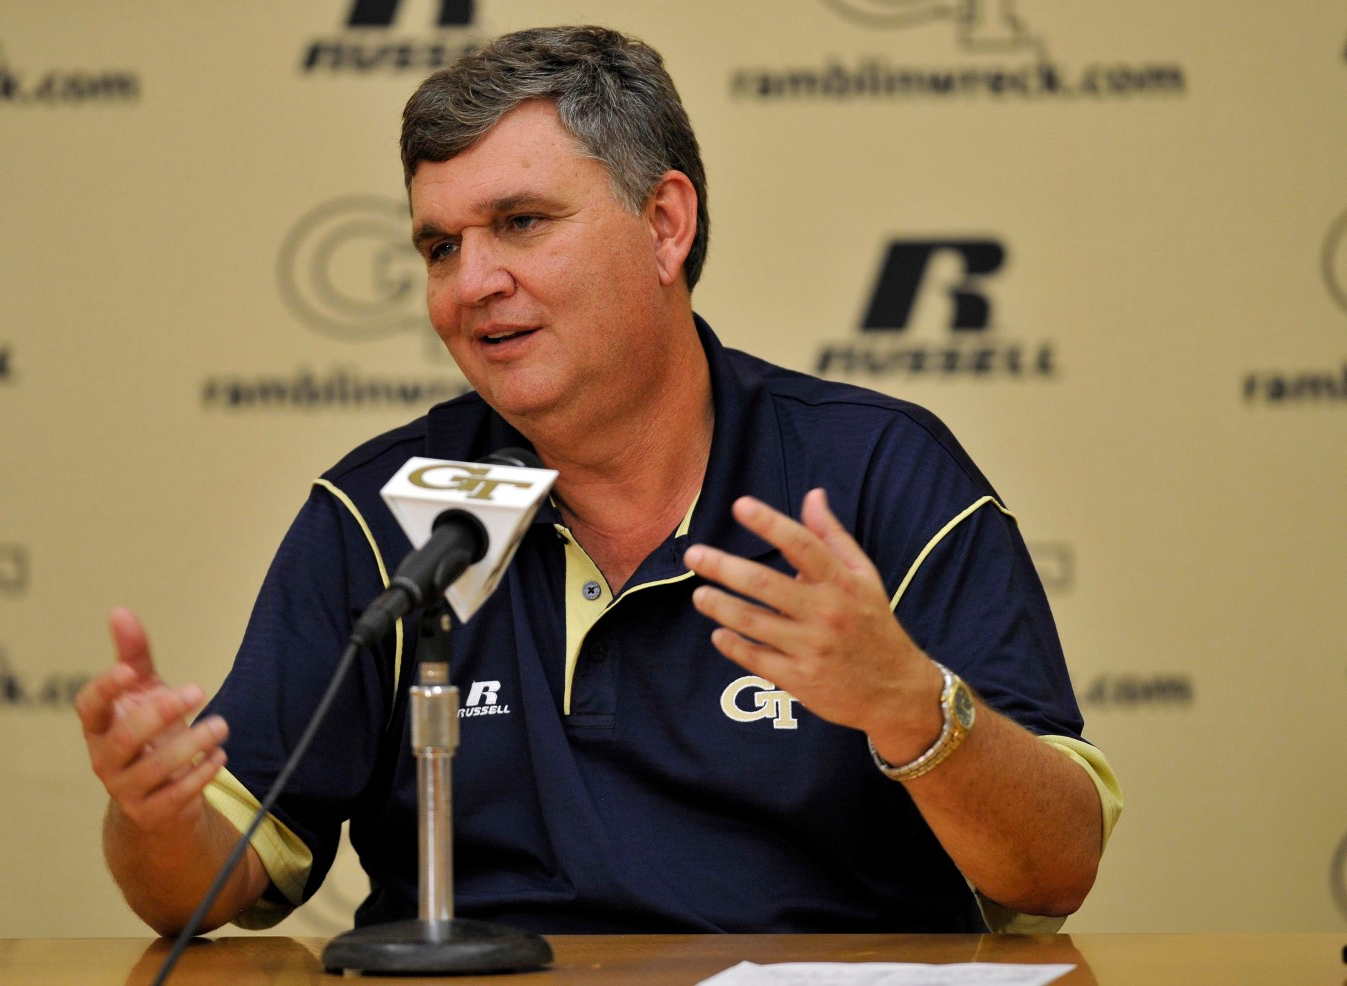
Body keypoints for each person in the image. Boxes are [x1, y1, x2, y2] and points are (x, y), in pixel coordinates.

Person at [76, 25, 1121, 937]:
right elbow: (210, 877)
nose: (469, 284)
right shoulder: (381, 509)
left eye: (521, 222)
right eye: (439, 245)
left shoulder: (875, 473)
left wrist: (910, 705)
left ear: (665, 223)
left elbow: (1054, 865)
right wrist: (154, 815)